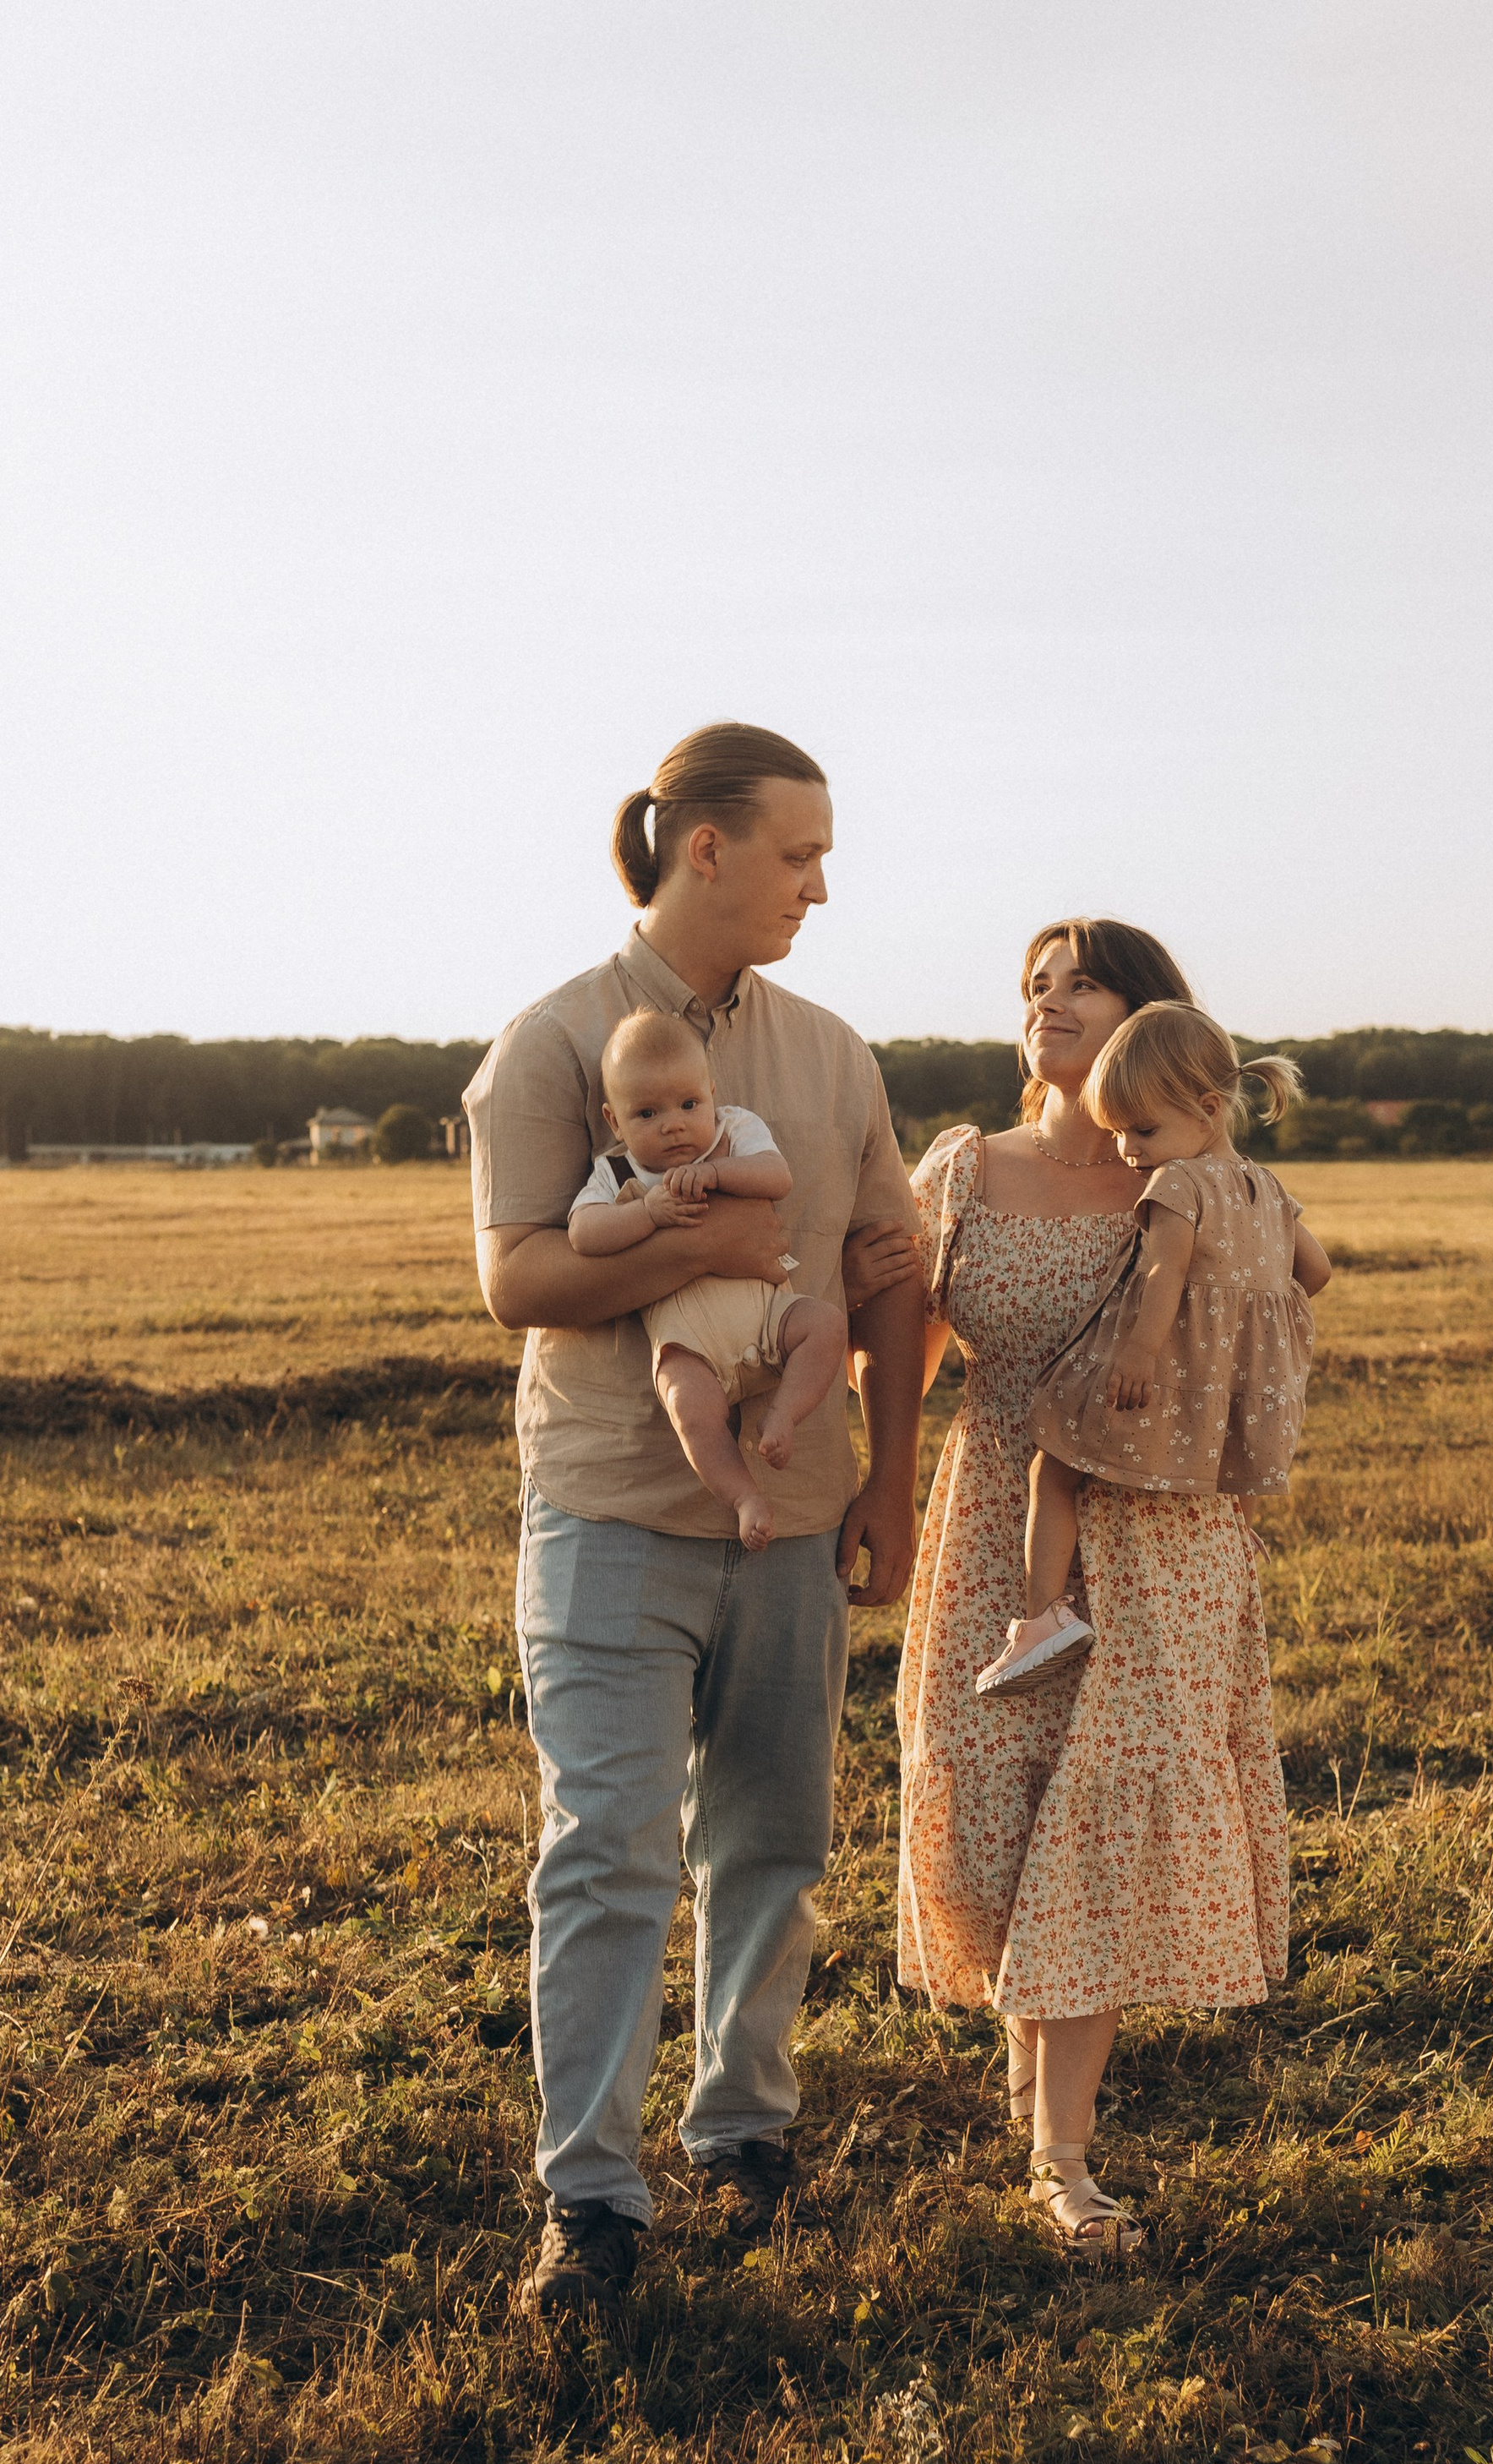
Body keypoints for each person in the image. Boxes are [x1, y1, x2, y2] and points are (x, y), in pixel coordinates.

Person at [465, 721, 924, 2318]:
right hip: (607, 1506)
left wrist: (896, 1479)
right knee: (604, 1850)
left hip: (795, 1517)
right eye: (801, 853)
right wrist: (708, 1245)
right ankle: (588, 2202)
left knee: (776, 1842)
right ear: (706, 849)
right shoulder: (551, 1042)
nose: (821, 884)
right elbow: (517, 1275)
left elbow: (883, 1280)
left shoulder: (834, 1052)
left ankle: (746, 2136)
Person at [887, 923, 1305, 2258]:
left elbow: (1285, 1305)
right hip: (996, 1519)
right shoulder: (962, 1170)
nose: (1047, 1003)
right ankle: (1032, 2102)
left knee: (1105, 1824)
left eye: (1081, 983)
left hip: (1161, 1540)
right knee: (1002, 1802)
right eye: (1033, 987)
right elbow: (895, 1350)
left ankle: (1061, 2156)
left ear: (1150, 1020)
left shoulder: (1199, 1181)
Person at [977, 1001, 1329, 1698]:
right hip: (1235, 1389)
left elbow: (1163, 1272)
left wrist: (1140, 1352)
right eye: (1118, 1134)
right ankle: (1235, 1548)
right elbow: (1314, 1273)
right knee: (1236, 1468)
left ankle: (1041, 1618)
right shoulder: (1268, 1187)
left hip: (1163, 1377)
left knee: (1054, 1465)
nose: (1128, 1151)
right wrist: (1248, 1318)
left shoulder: (1178, 1183)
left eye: (1142, 1130)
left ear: (1205, 1108)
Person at [567, 1007, 847, 1549]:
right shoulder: (618, 1172)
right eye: (647, 1113)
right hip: (687, 1344)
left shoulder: (734, 1130)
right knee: (687, 1408)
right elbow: (583, 1234)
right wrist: (648, 1212)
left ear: (712, 1094)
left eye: (690, 1104)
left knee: (826, 1324)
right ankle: (744, 1497)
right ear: (614, 1120)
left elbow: (776, 1175)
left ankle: (784, 1416)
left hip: (770, 1314)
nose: (674, 1123)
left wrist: (716, 1172)